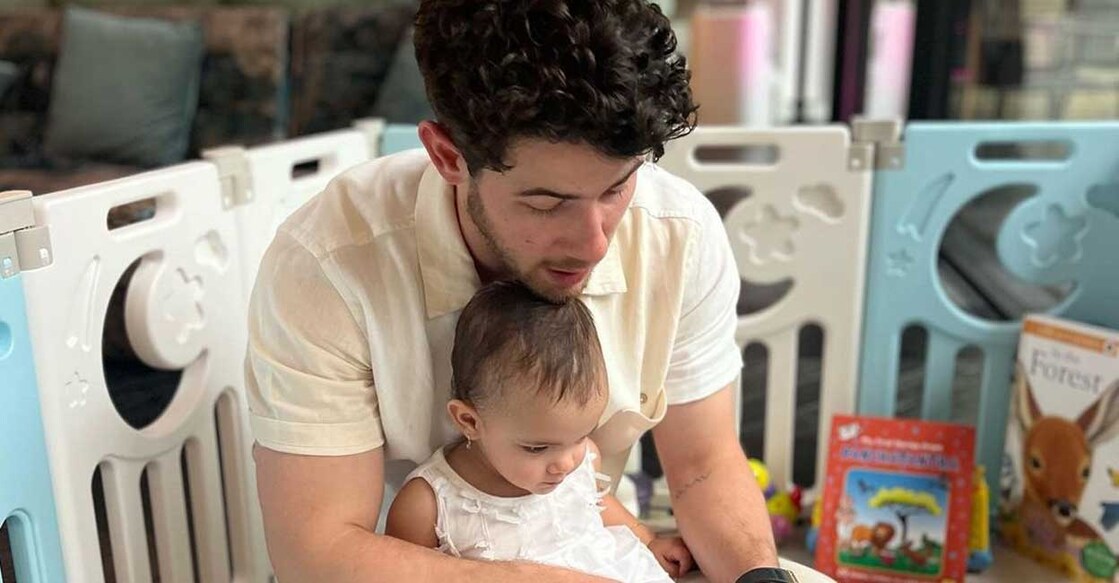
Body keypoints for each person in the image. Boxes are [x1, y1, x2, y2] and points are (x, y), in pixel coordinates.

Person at [247, 0, 785, 581]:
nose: (594, 243)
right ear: (448, 156)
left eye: (616, 188)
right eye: (546, 203)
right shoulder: (328, 263)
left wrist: (762, 576)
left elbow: (704, 467)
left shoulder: (679, 234)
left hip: (597, 540)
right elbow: (317, 553)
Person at [386, 281, 692, 581]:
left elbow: (594, 507)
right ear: (469, 422)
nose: (567, 463)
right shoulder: (428, 504)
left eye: (581, 435)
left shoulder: (583, 459)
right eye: (537, 448)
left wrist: (648, 541)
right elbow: (401, 571)